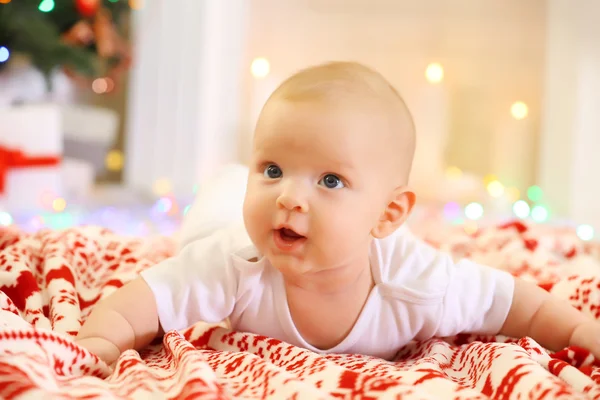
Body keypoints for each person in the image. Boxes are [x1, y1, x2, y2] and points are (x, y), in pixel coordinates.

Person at [75, 61, 600, 365]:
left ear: (389, 214)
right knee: (218, 207)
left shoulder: (419, 282)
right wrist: (96, 345)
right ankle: (235, 176)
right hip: (218, 223)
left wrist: (578, 333)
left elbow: (518, 306)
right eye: (274, 168)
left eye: (330, 180)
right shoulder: (231, 262)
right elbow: (135, 305)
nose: (289, 197)